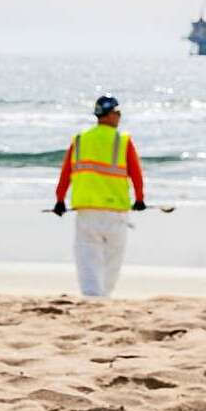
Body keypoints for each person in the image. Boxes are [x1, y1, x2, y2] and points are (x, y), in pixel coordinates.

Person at [53, 95, 146, 296]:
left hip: (87, 213)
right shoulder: (122, 141)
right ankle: (103, 297)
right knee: (112, 260)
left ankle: (92, 297)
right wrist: (139, 199)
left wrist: (60, 200)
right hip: (115, 213)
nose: (120, 116)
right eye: (118, 113)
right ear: (109, 114)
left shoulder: (79, 140)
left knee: (87, 258)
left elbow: (65, 173)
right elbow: (136, 174)